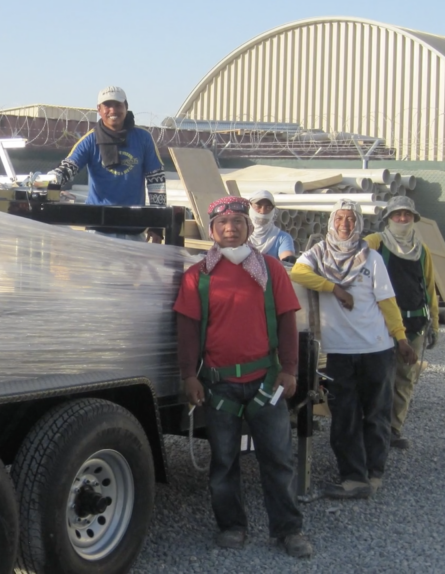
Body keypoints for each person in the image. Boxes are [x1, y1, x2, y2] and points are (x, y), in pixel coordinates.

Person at [174, 196, 312, 558]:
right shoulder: (198, 275)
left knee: (278, 459)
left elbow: (287, 320)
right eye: (223, 224)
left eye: (238, 222)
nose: (230, 229)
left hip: (266, 383)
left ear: (249, 228)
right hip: (220, 386)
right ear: (212, 230)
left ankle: (288, 529)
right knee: (224, 462)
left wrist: (290, 369)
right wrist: (189, 375)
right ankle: (232, 525)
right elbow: (187, 329)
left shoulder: (270, 269)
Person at [289, 200, 417, 499]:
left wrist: (401, 338)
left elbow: (387, 302)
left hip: (376, 348)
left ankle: (375, 473)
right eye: (340, 218)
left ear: (358, 224)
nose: (345, 224)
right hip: (340, 352)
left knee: (376, 413)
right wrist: (335, 288)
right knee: (344, 416)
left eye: (351, 219)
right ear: (331, 222)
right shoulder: (318, 254)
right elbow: (297, 274)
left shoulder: (371, 258)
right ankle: (353, 477)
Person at [363, 196, 438, 450]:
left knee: (405, 378)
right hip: (380, 324)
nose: (402, 219)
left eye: (407, 214)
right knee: (378, 377)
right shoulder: (375, 244)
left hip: (414, 323)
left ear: (414, 218)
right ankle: (373, 427)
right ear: (388, 218)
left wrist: (434, 325)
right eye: (397, 215)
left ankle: (393, 429)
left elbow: (429, 288)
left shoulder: (422, 250)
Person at [47, 86, 166, 242]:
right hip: (98, 231)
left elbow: (156, 180)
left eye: (117, 105)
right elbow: (69, 167)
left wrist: (157, 225)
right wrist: (51, 179)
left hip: (134, 230)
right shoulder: (90, 140)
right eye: (107, 105)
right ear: (99, 109)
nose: (113, 110)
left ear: (126, 107)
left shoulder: (143, 138)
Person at [248, 190, 296, 262]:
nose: (263, 211)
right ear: (250, 207)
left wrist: (288, 259)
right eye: (258, 206)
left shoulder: (282, 238)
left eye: (268, 207)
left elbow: (287, 261)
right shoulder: (240, 236)